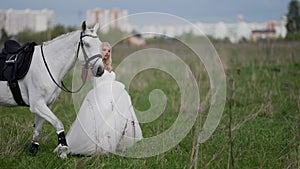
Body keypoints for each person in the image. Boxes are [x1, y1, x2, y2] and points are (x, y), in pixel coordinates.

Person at [66, 42, 143, 156]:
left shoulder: (108, 67)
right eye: (104, 50)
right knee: (97, 123)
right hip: (99, 97)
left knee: (113, 120)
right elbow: (85, 79)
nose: (106, 52)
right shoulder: (93, 65)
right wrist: (85, 69)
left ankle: (110, 145)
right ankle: (95, 146)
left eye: (109, 51)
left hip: (112, 97)